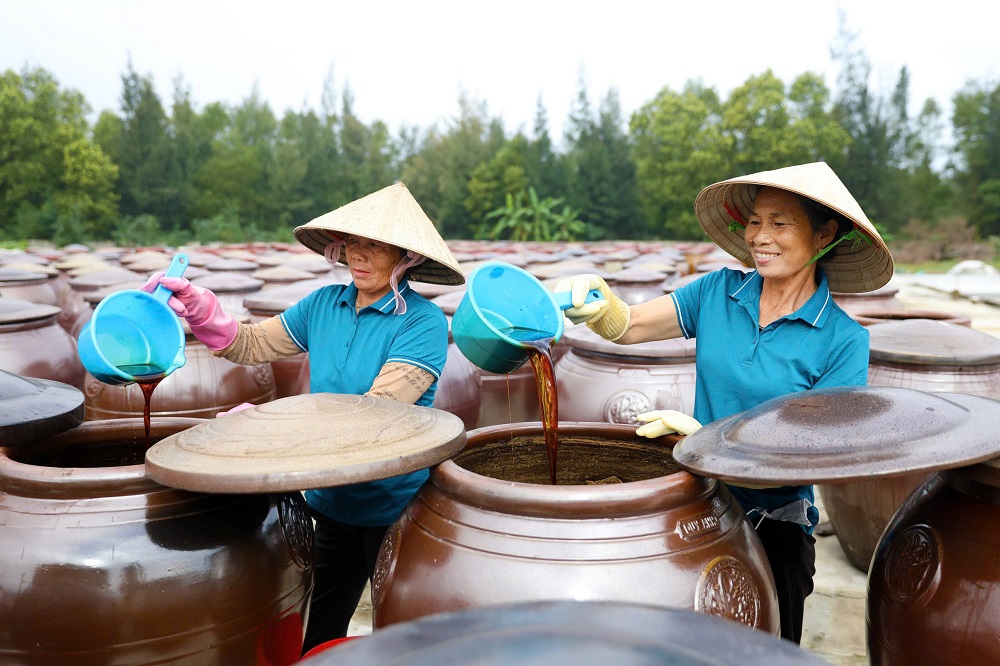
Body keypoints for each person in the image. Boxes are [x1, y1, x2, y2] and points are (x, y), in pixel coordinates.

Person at [554, 162, 893, 643]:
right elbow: (631, 325)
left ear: (824, 236)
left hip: (774, 526)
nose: (760, 235)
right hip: (697, 503)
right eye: (755, 221)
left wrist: (710, 440)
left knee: (767, 645)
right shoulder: (718, 291)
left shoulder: (843, 340)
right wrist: (600, 303)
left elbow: (816, 450)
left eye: (780, 222)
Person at [144, 182, 464, 654]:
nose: (359, 255)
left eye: (376, 246)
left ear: (406, 258)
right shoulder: (322, 305)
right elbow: (252, 344)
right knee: (323, 628)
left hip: (394, 506)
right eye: (354, 242)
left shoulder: (423, 323)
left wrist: (269, 426)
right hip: (331, 502)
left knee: (401, 633)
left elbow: (377, 414)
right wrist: (199, 307)